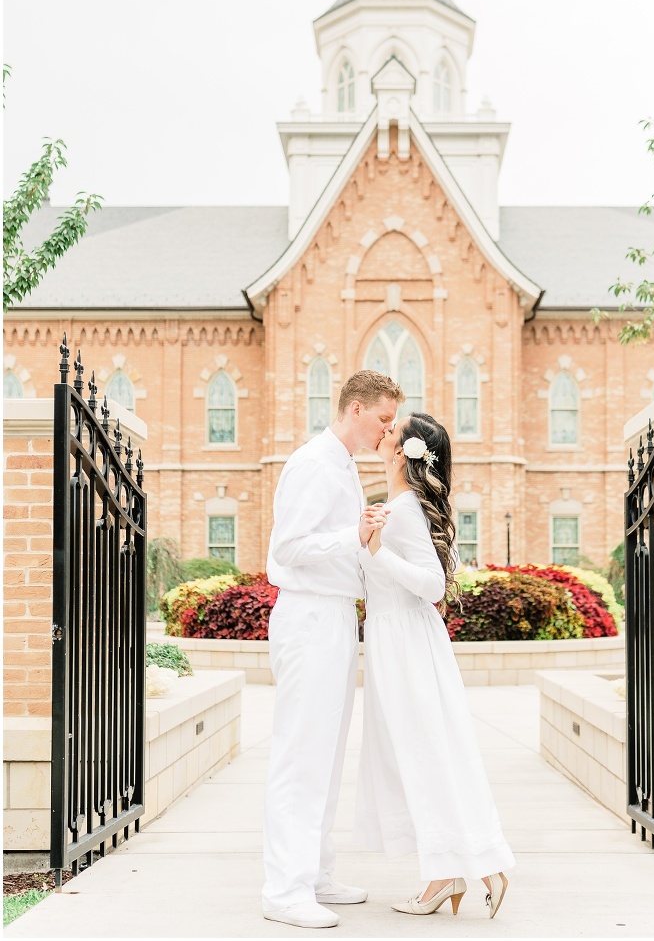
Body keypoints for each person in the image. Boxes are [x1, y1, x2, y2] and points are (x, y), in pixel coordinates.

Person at [355, 412, 515, 918]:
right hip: (396, 639)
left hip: (406, 643)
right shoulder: (398, 508)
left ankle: (459, 872)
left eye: (392, 430)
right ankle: (459, 870)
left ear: (404, 452)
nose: (383, 431)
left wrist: (375, 549)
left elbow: (432, 584)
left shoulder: (402, 511)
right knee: (420, 753)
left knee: (423, 754)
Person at [261, 370, 404, 930]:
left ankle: (316, 873)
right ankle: (284, 889)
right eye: (384, 418)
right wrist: (355, 535)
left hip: (336, 616)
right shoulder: (314, 463)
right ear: (356, 409)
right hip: (310, 616)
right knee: (302, 754)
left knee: (326, 752)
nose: (388, 430)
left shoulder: (342, 465)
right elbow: (288, 547)